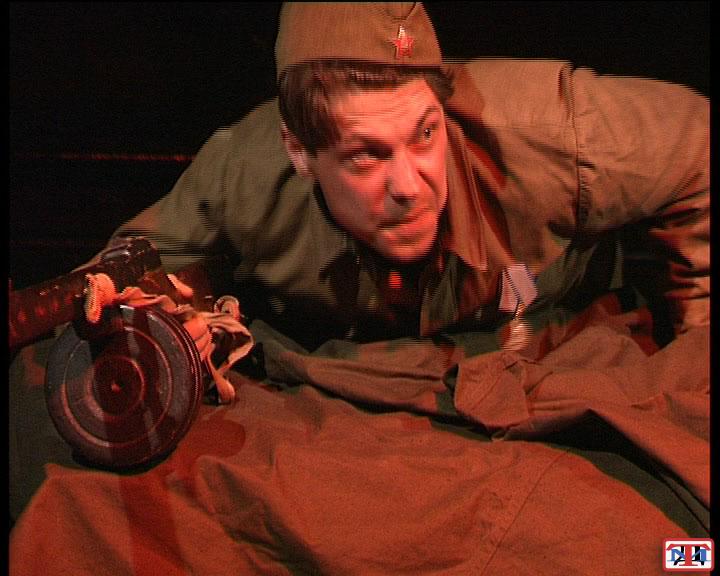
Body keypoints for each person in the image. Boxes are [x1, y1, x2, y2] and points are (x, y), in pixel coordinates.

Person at [107, 2, 708, 353]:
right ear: (299, 151)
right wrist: (173, 321)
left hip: (553, 344)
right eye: (366, 156)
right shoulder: (243, 173)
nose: (411, 186)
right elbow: (124, 276)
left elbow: (698, 140)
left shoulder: (554, 130)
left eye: (424, 135)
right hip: (364, 392)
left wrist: (695, 348)